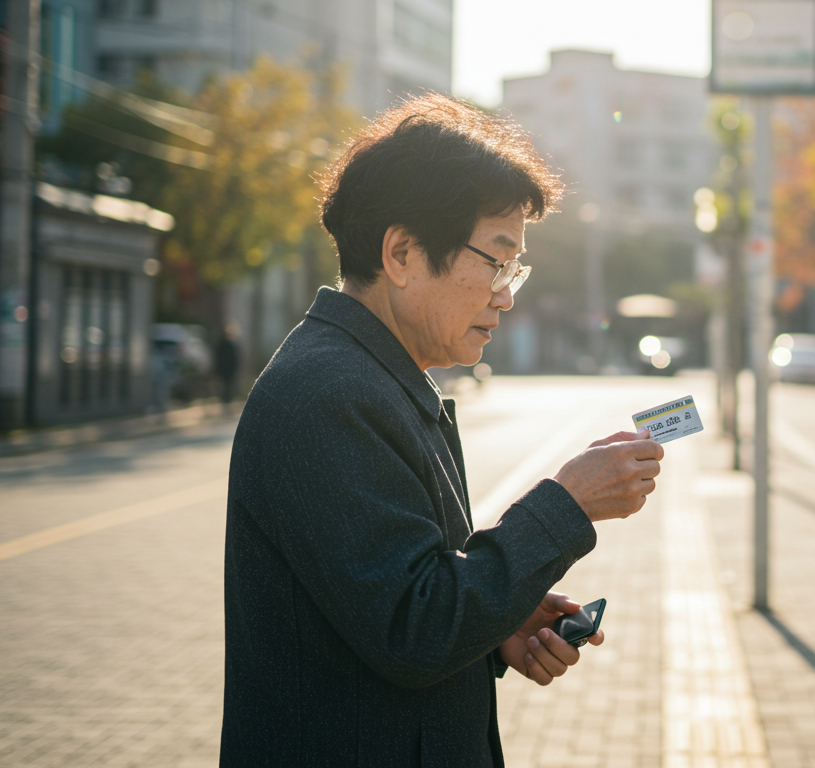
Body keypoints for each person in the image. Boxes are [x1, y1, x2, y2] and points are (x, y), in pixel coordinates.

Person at [220, 94, 664, 767]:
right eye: (495, 261)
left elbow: (394, 600)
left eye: (515, 269)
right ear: (401, 253)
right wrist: (567, 505)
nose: (505, 294)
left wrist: (498, 620)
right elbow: (416, 628)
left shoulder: (370, 376)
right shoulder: (330, 392)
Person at [214, 322, 241, 405]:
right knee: (223, 385)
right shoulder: (223, 344)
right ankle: (224, 399)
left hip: (231, 369)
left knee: (229, 385)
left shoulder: (234, 345)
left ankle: (228, 400)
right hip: (223, 368)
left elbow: (236, 358)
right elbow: (219, 356)